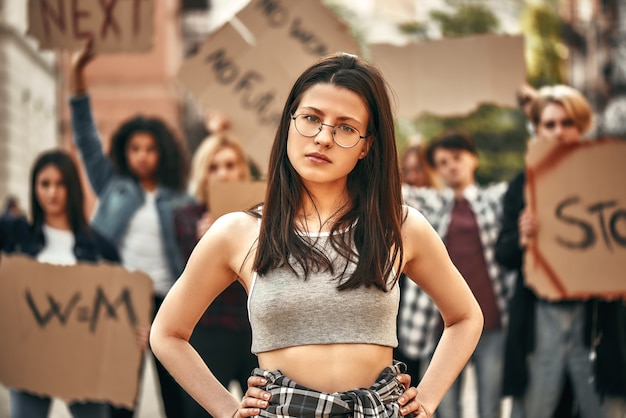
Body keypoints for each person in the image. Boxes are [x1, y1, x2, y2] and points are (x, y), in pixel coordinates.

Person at [150, 52, 484, 418]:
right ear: (289, 124)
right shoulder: (237, 233)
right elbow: (167, 334)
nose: (324, 137)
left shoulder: (400, 227)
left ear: (366, 145)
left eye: (345, 127)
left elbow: (466, 316)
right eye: (311, 118)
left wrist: (429, 398)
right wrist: (227, 410)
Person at [69, 40, 192, 418]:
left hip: (168, 302)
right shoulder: (113, 187)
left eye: (150, 148)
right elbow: (87, 141)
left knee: (177, 397)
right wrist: (77, 76)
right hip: (119, 301)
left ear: (162, 153)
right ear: (124, 151)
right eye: (135, 148)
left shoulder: (180, 199)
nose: (142, 155)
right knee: (120, 399)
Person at [495, 84, 607, 418]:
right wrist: (522, 236)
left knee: (599, 404)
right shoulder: (521, 184)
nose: (559, 131)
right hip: (540, 313)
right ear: (539, 131)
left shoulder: (608, 178)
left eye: (567, 123)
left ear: (581, 127)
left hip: (596, 316)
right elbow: (503, 254)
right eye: (550, 124)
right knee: (537, 407)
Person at [401, 131, 514, 418]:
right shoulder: (432, 204)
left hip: (492, 323)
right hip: (442, 327)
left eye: (457, 158)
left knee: (490, 406)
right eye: (442, 162)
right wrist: (414, 146)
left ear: (473, 159)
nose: (451, 165)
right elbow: (396, 189)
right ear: (436, 170)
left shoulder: (495, 199)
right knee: (442, 408)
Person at [0, 150, 120, 418]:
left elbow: (121, 304)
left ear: (73, 188)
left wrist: (134, 329)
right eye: (45, 184)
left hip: (85, 362)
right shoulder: (16, 234)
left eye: (61, 183)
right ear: (34, 188)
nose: (53, 192)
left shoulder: (99, 247)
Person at [174, 133, 259, 417]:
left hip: (253, 333)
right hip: (209, 332)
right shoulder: (187, 217)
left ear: (242, 170)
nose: (223, 172)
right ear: (203, 174)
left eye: (230, 164)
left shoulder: (263, 216)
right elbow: (185, 276)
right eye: (214, 166)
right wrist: (206, 242)